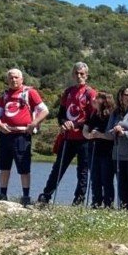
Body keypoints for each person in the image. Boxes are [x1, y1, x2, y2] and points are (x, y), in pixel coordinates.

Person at [39, 62, 98, 206]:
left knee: (83, 171)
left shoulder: (91, 93)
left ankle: (78, 201)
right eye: (76, 73)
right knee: (58, 167)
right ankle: (46, 196)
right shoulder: (68, 92)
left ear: (87, 75)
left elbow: (94, 117)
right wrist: (64, 123)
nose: (79, 76)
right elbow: (60, 115)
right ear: (73, 75)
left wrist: (77, 125)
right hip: (68, 137)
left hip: (84, 138)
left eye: (82, 74)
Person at [0, 69, 48, 205]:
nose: (13, 80)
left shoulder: (30, 92)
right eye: (11, 78)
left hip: (22, 135)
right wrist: (0, 125)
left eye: (16, 77)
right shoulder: (5, 95)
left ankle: (25, 196)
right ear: (7, 80)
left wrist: (34, 124)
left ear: (22, 79)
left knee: (24, 167)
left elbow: (45, 110)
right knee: (4, 167)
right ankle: (2, 194)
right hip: (6, 135)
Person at [83, 91, 117, 208]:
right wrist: (89, 135)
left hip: (106, 151)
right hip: (93, 150)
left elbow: (112, 135)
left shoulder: (111, 115)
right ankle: (96, 203)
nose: (94, 99)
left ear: (104, 101)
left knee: (106, 180)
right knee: (95, 179)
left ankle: (108, 204)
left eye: (97, 98)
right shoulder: (93, 114)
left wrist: (99, 135)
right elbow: (85, 129)